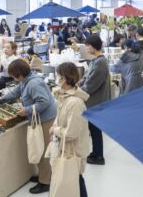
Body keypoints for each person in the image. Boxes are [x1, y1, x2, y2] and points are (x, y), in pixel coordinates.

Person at [1, 59, 57, 194]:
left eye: (14, 76)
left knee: (43, 150)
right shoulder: (26, 80)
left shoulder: (34, 83)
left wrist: (26, 110)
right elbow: (16, 91)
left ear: (20, 75)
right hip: (40, 118)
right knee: (39, 148)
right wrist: (1, 99)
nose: (14, 79)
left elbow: (44, 102)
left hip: (46, 120)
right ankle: (43, 175)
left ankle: (45, 182)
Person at [50, 62, 90, 197]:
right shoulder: (64, 97)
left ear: (65, 79)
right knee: (73, 179)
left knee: (74, 179)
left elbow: (72, 133)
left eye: (58, 76)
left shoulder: (75, 103)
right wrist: (56, 126)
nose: (57, 79)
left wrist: (55, 130)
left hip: (73, 149)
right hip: (65, 147)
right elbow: (60, 117)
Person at [79, 35, 110, 166]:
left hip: (96, 101)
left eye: (88, 46)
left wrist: (78, 91)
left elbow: (91, 84)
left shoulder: (100, 62)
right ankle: (95, 152)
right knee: (93, 129)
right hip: (94, 101)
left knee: (95, 130)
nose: (87, 48)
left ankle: (99, 156)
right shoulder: (95, 61)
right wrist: (78, 84)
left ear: (94, 46)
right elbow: (86, 78)